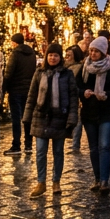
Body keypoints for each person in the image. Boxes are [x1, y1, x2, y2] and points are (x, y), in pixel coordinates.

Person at [25, 43, 78, 198]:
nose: (53, 58)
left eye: (56, 55)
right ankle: (41, 182)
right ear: (46, 56)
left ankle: (56, 181)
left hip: (60, 117)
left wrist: (72, 117)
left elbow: (73, 97)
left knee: (58, 151)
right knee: (40, 151)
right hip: (41, 117)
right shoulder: (39, 73)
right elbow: (32, 96)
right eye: (50, 55)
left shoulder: (67, 74)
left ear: (60, 57)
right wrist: (27, 116)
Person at [78, 35, 110, 193]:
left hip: (107, 113)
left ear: (103, 52)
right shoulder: (85, 68)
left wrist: (107, 95)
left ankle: (104, 180)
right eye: (91, 50)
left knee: (104, 146)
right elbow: (76, 87)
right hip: (89, 113)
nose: (92, 54)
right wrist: (84, 93)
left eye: (96, 51)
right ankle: (97, 178)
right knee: (93, 148)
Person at [2, 33, 37, 156]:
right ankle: (28, 145)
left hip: (16, 90)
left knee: (16, 119)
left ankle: (16, 145)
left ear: (14, 42)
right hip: (28, 90)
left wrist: (4, 89)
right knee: (27, 118)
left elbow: (8, 73)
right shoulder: (32, 53)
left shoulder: (15, 54)